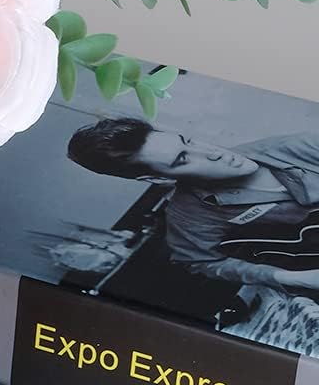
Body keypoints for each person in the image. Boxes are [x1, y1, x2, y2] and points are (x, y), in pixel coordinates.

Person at [67, 118, 319, 296]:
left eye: (188, 142)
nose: (213, 152)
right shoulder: (189, 214)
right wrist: (288, 277)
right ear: (157, 179)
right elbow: (201, 262)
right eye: (183, 159)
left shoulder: (300, 146)